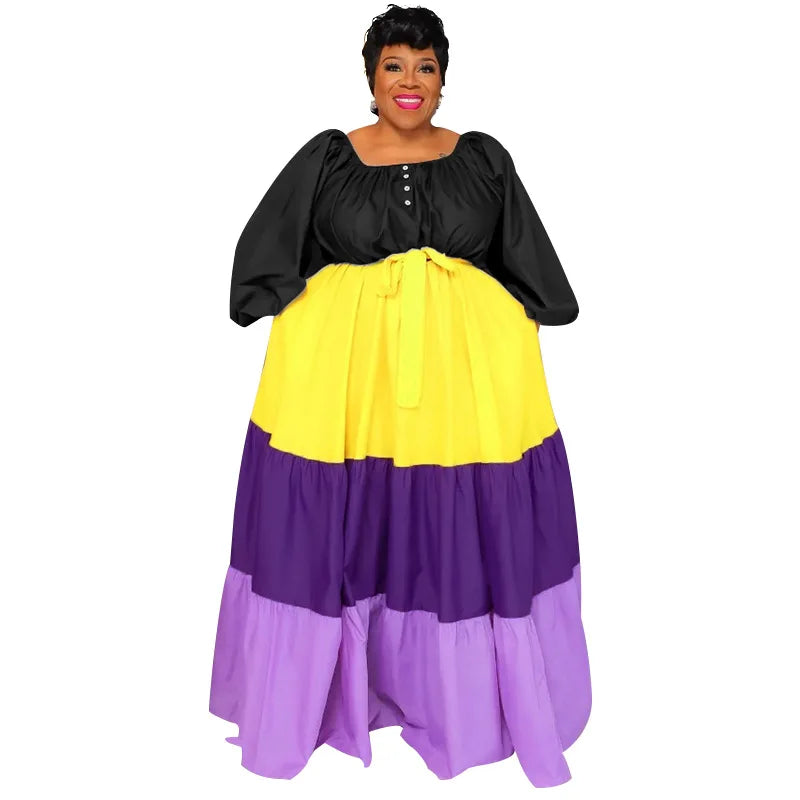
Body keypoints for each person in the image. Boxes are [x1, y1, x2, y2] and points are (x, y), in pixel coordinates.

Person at [209, 3, 591, 789]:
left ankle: (458, 705)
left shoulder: (482, 158)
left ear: (444, 80)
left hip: (463, 387)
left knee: (458, 524)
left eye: (425, 66)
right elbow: (265, 255)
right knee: (344, 522)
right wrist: (293, 309)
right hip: (346, 385)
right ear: (370, 76)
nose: (409, 81)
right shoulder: (329, 156)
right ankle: (326, 700)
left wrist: (513, 319)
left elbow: (527, 261)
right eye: (394, 65)